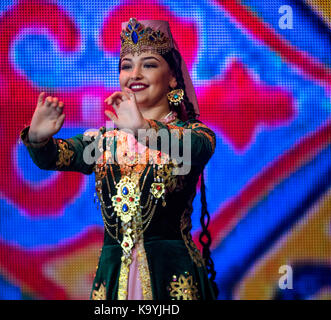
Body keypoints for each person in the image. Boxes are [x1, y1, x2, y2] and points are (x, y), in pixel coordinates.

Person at [19, 18, 218, 300]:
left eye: (148, 64)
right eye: (127, 66)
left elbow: (196, 148)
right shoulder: (106, 142)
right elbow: (56, 157)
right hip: (114, 282)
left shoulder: (194, 135)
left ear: (173, 77)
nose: (135, 74)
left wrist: (143, 130)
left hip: (172, 279)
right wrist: (39, 139)